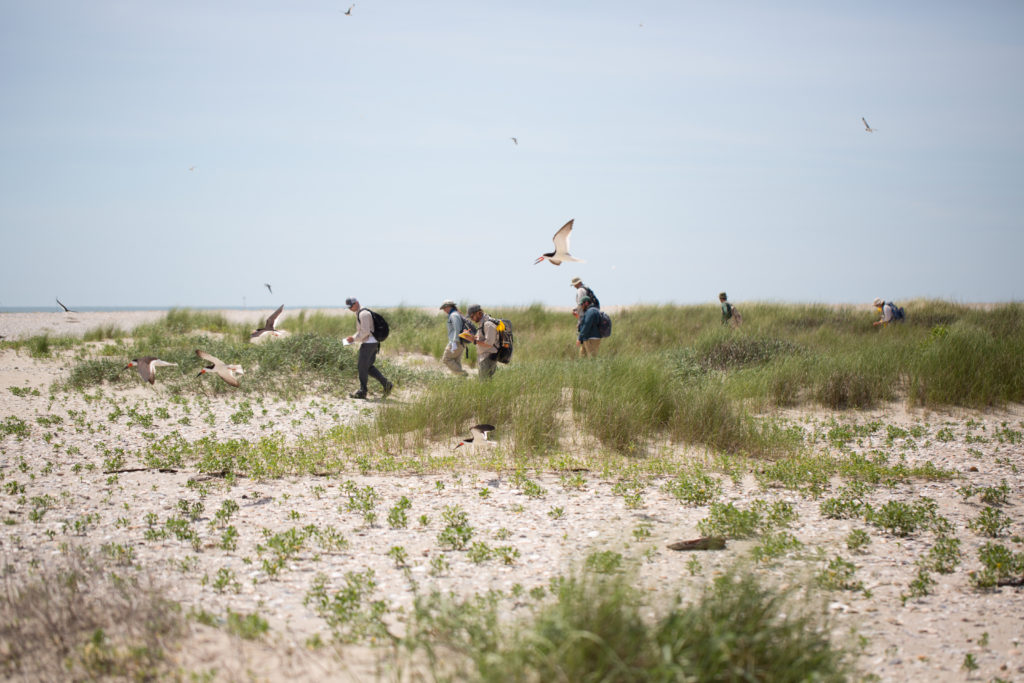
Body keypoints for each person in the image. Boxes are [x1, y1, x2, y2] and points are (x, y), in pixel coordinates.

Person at [344, 297, 393, 399]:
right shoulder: (360, 313)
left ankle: (363, 391)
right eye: (348, 307)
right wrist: (353, 337)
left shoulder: (363, 314)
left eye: (351, 306)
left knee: (362, 366)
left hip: (369, 343)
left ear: (356, 303)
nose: (350, 308)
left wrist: (353, 339)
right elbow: (364, 331)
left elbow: (365, 332)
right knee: (368, 367)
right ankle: (387, 384)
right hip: (372, 343)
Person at [467, 304, 499, 380]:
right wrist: (470, 336)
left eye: (472, 316)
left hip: (488, 357)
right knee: (486, 382)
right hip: (484, 357)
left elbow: (488, 343)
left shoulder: (488, 324)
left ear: (479, 313)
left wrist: (473, 340)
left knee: (484, 382)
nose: (472, 319)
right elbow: (481, 339)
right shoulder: (482, 323)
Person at [440, 299, 469, 376]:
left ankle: (463, 374)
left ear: (449, 306)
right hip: (460, 342)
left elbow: (457, 329)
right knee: (456, 361)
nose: (444, 310)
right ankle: (461, 380)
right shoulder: (456, 314)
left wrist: (454, 342)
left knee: (446, 359)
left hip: (456, 342)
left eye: (444, 308)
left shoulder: (453, 315)